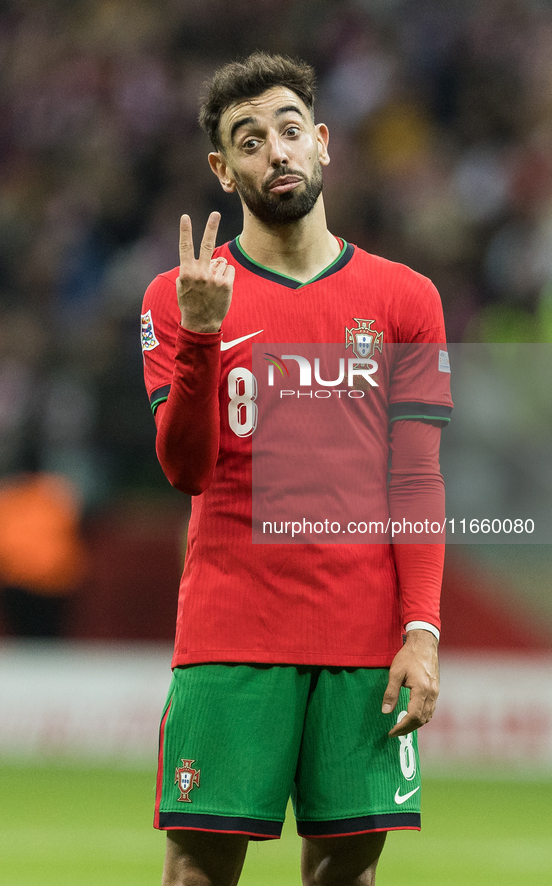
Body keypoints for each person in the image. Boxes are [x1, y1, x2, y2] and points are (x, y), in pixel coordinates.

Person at [141, 52, 452, 886]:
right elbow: (185, 470)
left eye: (287, 131)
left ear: (321, 143)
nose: (273, 152)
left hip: (362, 639)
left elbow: (415, 479)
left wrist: (419, 631)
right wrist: (202, 339)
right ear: (222, 168)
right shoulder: (178, 295)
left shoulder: (404, 299)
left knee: (345, 874)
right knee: (197, 871)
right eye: (249, 140)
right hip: (230, 629)